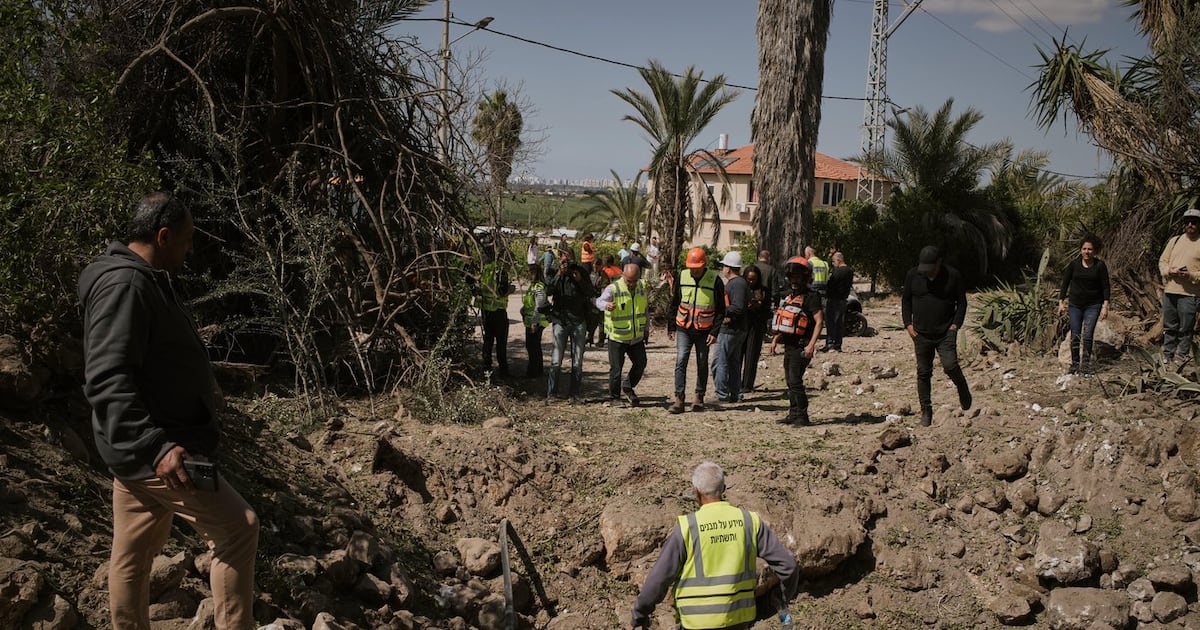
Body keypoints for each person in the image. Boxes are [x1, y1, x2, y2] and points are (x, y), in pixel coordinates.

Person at [78, 193, 259, 630]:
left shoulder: (139, 278)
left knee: (132, 556)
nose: (190, 250)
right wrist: (156, 446)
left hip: (136, 450)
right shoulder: (127, 285)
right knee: (239, 528)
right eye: (186, 240)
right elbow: (107, 377)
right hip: (160, 452)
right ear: (162, 236)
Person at [627, 462, 798, 630]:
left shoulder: (688, 528)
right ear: (723, 489)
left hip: (696, 624)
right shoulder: (749, 522)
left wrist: (639, 615)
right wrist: (778, 600)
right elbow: (789, 566)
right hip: (738, 621)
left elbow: (659, 579)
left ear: (696, 492)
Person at [902, 246, 972, 426]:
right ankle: (926, 411)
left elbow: (962, 303)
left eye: (930, 268)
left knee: (950, 365)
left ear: (939, 263)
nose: (926, 272)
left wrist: (955, 325)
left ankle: (962, 387)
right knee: (923, 372)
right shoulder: (913, 275)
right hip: (921, 334)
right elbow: (906, 301)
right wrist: (908, 325)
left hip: (945, 332)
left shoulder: (953, 276)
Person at [668, 247, 726, 413]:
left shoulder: (715, 280)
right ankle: (679, 398)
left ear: (704, 265)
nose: (693, 270)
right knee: (681, 361)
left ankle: (699, 397)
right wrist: (671, 326)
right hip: (683, 328)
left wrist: (715, 332)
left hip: (704, 331)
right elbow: (675, 302)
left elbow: (721, 310)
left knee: (702, 362)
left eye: (697, 267)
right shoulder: (683, 276)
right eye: (691, 267)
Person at [769, 257, 824, 426]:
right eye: (792, 277)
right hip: (789, 344)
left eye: (798, 277)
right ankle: (793, 413)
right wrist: (776, 339)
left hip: (801, 345)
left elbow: (819, 322)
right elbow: (787, 323)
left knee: (795, 380)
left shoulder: (811, 297)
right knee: (789, 380)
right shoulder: (789, 297)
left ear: (805, 277)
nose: (794, 280)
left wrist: (811, 345)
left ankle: (802, 414)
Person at [596, 263, 650, 407]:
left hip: (636, 336)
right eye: (629, 281)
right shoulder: (613, 288)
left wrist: (646, 328)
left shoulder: (641, 288)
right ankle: (614, 398)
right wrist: (605, 306)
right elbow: (598, 301)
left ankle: (628, 386)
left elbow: (645, 310)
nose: (631, 284)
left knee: (641, 363)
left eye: (634, 281)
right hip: (617, 336)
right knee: (616, 369)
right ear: (623, 276)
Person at [545, 248, 594, 404]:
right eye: (564, 259)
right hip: (561, 321)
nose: (566, 262)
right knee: (556, 360)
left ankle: (575, 394)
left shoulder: (580, 271)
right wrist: (559, 274)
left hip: (578, 320)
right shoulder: (554, 272)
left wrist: (579, 280)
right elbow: (548, 291)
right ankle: (551, 394)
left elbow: (591, 292)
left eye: (569, 258)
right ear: (559, 259)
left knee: (577, 360)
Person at [1058, 236, 1111, 375]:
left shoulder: (1100, 266)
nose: (1087, 252)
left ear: (1095, 251)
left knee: (1088, 335)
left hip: (1093, 305)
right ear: (1080, 250)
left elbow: (1106, 286)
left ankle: (1085, 366)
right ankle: (1075, 365)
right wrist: (1061, 302)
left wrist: (1105, 306)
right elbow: (1065, 283)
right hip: (1075, 305)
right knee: (1075, 335)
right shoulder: (1074, 265)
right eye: (1084, 249)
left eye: (1090, 249)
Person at [1158, 208, 1200, 366]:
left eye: (1194, 222)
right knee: (1169, 326)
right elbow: (1163, 261)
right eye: (1187, 222)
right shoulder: (1174, 240)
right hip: (1170, 291)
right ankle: (1167, 355)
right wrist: (1169, 270)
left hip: (1190, 294)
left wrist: (1190, 275)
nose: (1190, 225)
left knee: (1186, 328)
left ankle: (1181, 356)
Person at [711, 252, 749, 403]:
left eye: (724, 266)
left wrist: (720, 311)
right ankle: (735, 393)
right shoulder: (738, 283)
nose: (722, 269)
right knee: (733, 363)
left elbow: (738, 308)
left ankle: (722, 394)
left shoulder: (737, 284)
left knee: (720, 362)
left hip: (730, 330)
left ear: (729, 268)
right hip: (737, 330)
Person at [477, 244, 512, 377]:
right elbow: (502, 291)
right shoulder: (500, 271)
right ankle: (503, 370)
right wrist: (511, 289)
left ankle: (486, 368)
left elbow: (476, 287)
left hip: (486, 311)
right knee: (501, 342)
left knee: (488, 340)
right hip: (498, 311)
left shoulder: (484, 270)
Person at [740, 264, 769, 395]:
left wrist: (758, 306)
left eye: (754, 279)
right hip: (741, 325)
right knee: (737, 355)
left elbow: (767, 310)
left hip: (756, 326)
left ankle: (747, 384)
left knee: (752, 356)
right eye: (748, 279)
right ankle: (735, 383)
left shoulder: (763, 291)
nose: (751, 282)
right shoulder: (740, 288)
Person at [521, 264, 550, 378]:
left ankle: (534, 371)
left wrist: (534, 323)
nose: (528, 275)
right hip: (530, 321)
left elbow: (539, 306)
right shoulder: (532, 287)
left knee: (532, 346)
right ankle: (536, 370)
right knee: (533, 346)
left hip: (536, 322)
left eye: (529, 272)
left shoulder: (538, 287)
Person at [822, 252, 854, 352]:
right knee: (840, 323)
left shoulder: (837, 272)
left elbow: (830, 284)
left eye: (833, 261)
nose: (833, 264)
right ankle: (838, 344)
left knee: (831, 322)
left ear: (838, 260)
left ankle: (830, 343)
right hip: (843, 299)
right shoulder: (850, 271)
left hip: (834, 299)